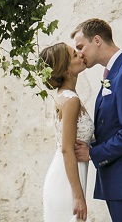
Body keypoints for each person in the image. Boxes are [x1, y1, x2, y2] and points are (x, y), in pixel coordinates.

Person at [72, 18, 122, 222]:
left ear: (97, 40)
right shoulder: (116, 72)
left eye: (81, 46)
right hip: (118, 179)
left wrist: (93, 153)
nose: (79, 54)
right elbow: (112, 126)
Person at [38, 42, 94, 221]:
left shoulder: (66, 96)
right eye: (74, 55)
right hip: (65, 181)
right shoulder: (71, 101)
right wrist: (78, 196)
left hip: (70, 174)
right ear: (66, 70)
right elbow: (66, 149)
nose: (80, 54)